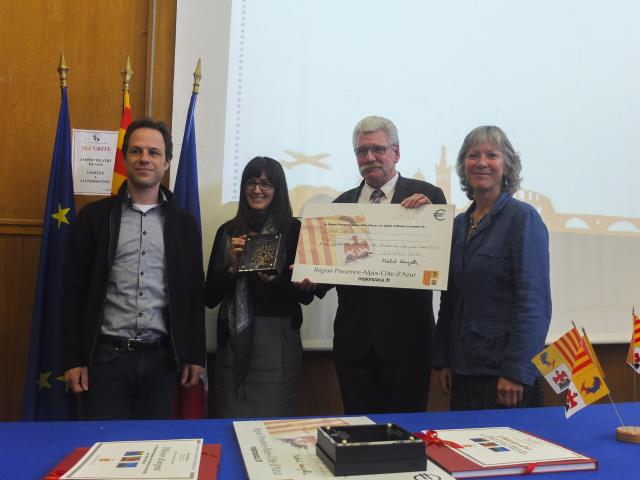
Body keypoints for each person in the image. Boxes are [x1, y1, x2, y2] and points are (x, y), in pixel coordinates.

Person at [60, 118, 205, 420]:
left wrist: (195, 354)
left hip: (162, 361)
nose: (144, 159)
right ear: (124, 158)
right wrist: (73, 358)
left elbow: (193, 294)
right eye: (136, 151)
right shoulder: (94, 220)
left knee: (154, 450)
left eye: (154, 152)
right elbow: (73, 293)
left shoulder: (184, 225)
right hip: (106, 360)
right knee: (106, 451)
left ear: (166, 162)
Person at [311, 115, 447, 414]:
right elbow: (331, 273)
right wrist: (310, 276)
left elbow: (441, 266)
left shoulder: (428, 198)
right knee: (359, 433)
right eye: (361, 151)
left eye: (377, 150)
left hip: (408, 346)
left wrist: (427, 221)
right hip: (353, 347)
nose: (369, 158)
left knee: (404, 437)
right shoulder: (341, 206)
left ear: (396, 152)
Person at [432, 125, 551, 410]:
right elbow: (451, 299)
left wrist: (516, 371)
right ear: (463, 165)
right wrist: (444, 359)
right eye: (473, 155)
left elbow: (534, 303)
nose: (482, 162)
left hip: (506, 379)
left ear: (507, 165)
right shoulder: (460, 224)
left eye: (492, 155)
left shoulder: (523, 219)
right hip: (464, 370)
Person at [204, 156, 313, 418]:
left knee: (272, 424)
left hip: (278, 339)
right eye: (251, 183)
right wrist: (231, 269)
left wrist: (277, 280)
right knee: (229, 421)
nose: (257, 190)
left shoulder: (294, 229)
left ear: (278, 189)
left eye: (266, 183)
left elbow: (307, 296)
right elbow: (209, 296)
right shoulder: (228, 231)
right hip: (234, 339)